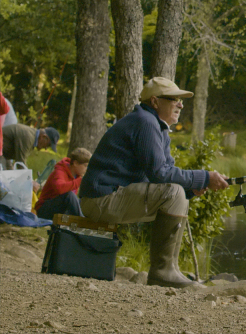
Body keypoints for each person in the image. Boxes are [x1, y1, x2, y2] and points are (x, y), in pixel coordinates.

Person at [79, 77, 229, 288]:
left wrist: (191, 190)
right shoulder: (145, 122)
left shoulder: (157, 127)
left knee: (178, 194)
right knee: (174, 193)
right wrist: (204, 177)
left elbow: (160, 176)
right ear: (155, 102)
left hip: (109, 196)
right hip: (100, 199)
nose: (180, 104)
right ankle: (162, 272)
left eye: (181, 100)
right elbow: (160, 173)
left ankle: (171, 269)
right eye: (174, 99)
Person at [35, 148, 91, 220]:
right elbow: (60, 189)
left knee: (82, 200)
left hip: (59, 210)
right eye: (85, 166)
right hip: (43, 210)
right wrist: (80, 181)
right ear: (76, 163)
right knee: (69, 195)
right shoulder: (60, 171)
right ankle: (82, 222)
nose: (87, 169)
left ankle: (84, 220)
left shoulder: (77, 176)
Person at [2, 124, 59, 192]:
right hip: (1, 152)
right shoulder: (28, 137)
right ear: (44, 137)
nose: (46, 148)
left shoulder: (32, 139)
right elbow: (21, 163)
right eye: (48, 145)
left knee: (7, 181)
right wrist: (30, 182)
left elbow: (10, 159)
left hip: (3, 153)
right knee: (3, 181)